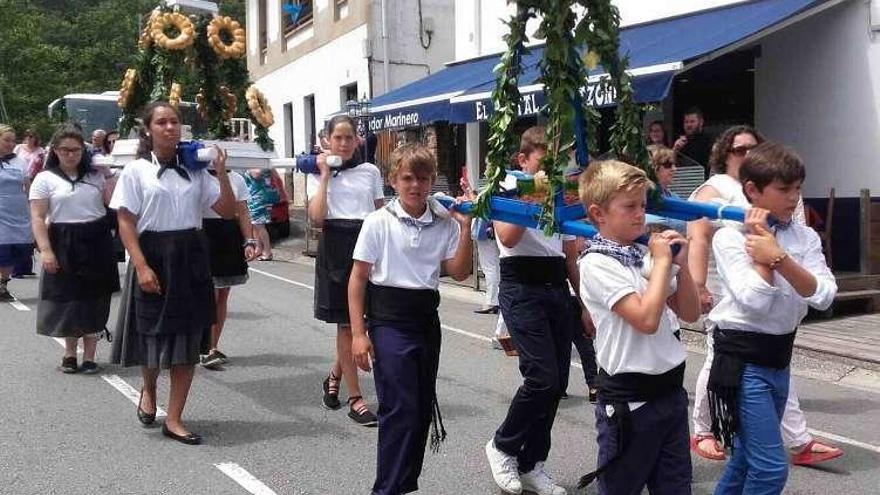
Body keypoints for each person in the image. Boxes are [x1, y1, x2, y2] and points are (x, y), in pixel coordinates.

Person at [688, 126, 842, 466]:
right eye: (785, 189)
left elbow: (825, 296)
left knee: (744, 464)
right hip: (741, 350)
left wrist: (779, 258)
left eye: (798, 188)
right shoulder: (723, 214)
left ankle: (798, 439)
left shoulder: (803, 236)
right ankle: (702, 430)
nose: (794, 197)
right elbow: (753, 299)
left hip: (779, 352)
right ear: (752, 189)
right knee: (768, 467)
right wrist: (701, 283)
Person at [109, 101, 236, 445]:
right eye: (162, 122)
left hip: (191, 256)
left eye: (174, 122)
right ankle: (148, 389)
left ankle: (175, 418)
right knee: (152, 335)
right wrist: (141, 265)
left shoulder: (196, 171)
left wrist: (221, 173)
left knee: (189, 339)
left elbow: (225, 212)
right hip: (152, 254)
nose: (169, 127)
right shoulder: (136, 171)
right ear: (149, 130)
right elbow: (125, 220)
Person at [349, 143, 473, 495]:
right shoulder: (377, 222)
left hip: (425, 321)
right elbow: (358, 279)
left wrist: (465, 228)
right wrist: (359, 333)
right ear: (393, 180)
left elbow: (459, 272)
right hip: (388, 320)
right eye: (407, 178)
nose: (415, 185)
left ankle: (402, 484)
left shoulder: (443, 221)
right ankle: (385, 488)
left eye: (423, 178)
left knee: (419, 409)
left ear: (432, 181)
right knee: (398, 406)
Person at [576, 159, 699, 494]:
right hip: (630, 402)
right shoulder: (597, 262)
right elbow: (645, 319)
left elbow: (689, 312)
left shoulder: (644, 253)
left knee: (676, 488)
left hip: (670, 394)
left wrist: (681, 266)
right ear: (598, 213)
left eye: (643, 205)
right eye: (629, 206)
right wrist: (661, 262)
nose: (639, 214)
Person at [485, 126, 579, 495]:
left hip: (556, 283)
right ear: (523, 160)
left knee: (558, 383)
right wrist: (534, 193)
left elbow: (569, 254)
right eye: (544, 162)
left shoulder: (560, 192)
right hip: (520, 282)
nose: (552, 171)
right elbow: (507, 237)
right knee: (541, 377)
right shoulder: (506, 185)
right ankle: (502, 446)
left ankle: (532, 462)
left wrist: (583, 302)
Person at [308, 115, 385, 426]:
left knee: (367, 321)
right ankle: (356, 399)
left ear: (357, 140)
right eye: (337, 137)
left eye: (348, 137)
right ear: (327, 140)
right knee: (346, 325)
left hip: (367, 243)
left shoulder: (370, 171)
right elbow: (315, 218)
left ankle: (334, 376)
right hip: (336, 246)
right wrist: (325, 175)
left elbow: (380, 211)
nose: (343, 143)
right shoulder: (317, 170)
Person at [29, 125, 119, 373]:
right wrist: (46, 250)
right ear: (55, 151)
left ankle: (90, 356)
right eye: (65, 150)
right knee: (67, 298)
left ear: (83, 150)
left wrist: (108, 174)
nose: (71, 155)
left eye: (76, 150)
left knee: (95, 298)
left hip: (96, 238)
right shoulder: (45, 179)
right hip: (62, 238)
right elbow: (38, 217)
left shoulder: (95, 176)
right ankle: (70, 354)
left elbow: (115, 204)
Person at [200, 168, 260, 369]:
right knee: (209, 294)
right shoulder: (198, 175)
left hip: (228, 234)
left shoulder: (237, 178)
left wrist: (249, 240)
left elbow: (243, 211)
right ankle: (202, 346)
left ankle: (213, 346)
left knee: (223, 293)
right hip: (203, 233)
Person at [1, 124, 34, 301]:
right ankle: (1, 286)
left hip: (17, 210)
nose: (10, 144)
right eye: (6, 140)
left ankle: (2, 284)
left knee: (16, 249)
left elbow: (28, 187)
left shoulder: (19, 161)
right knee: (2, 248)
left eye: (13, 141)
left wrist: (32, 208)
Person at [647, 144, 687, 234]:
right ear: (652, 168)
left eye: (674, 164)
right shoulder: (640, 199)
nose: (674, 169)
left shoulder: (675, 197)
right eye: (668, 165)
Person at [243, 168, 278, 261]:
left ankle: (267, 251)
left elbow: (257, 173)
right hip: (253, 198)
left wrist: (249, 171)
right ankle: (259, 248)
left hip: (259, 199)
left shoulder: (259, 166)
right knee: (254, 224)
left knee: (260, 225)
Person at [673, 107, 713, 178]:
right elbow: (672, 165)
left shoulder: (710, 141)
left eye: (692, 121)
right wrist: (675, 150)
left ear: (701, 122)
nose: (689, 125)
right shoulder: (680, 143)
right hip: (684, 182)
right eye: (686, 122)